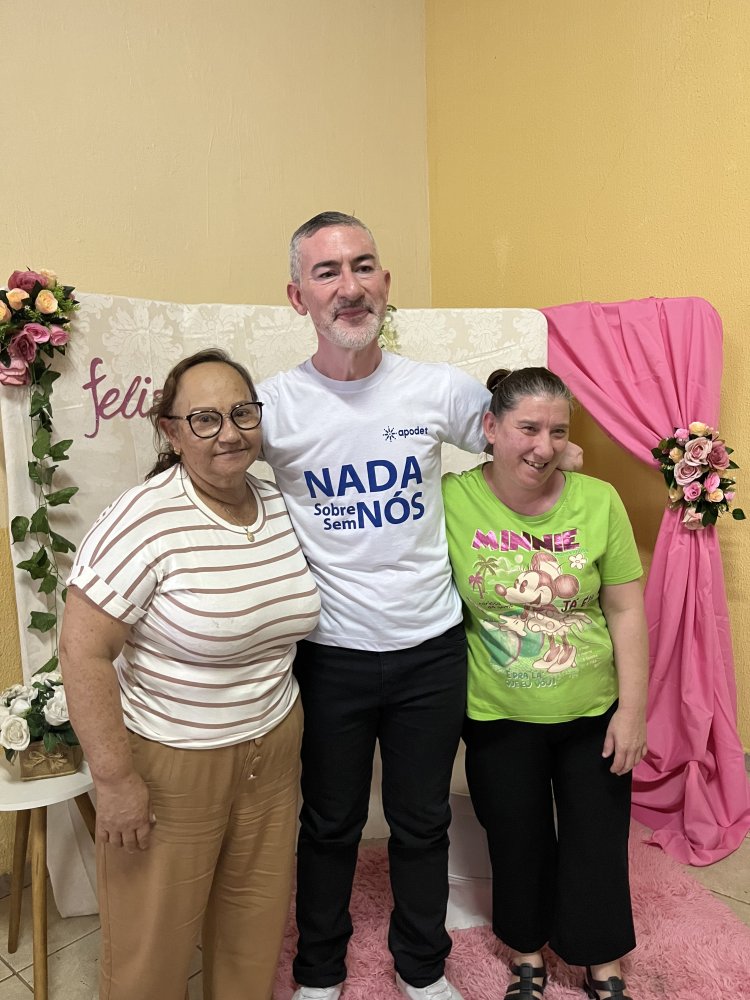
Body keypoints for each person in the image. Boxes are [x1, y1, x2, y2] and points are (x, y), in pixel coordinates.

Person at [258, 212, 582, 1000]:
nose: (349, 286)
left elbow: (530, 448)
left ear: (386, 284)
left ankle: (421, 966)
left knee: (422, 820)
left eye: (363, 266)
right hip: (329, 652)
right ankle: (319, 970)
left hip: (431, 650)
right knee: (329, 823)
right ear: (297, 295)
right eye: (328, 272)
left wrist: (569, 467)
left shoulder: (437, 389)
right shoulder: (271, 409)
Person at [59, 348, 320, 1000]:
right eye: (203, 420)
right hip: (171, 761)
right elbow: (81, 651)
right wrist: (115, 780)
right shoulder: (143, 519)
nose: (228, 433)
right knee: (152, 949)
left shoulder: (281, 501)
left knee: (252, 931)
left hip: (273, 749)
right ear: (171, 433)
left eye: (240, 413)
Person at [442, 367, 648, 1000]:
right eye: (528, 428)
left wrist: (634, 711)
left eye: (559, 431)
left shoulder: (598, 500)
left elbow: (625, 608)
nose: (544, 444)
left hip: (592, 710)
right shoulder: (451, 498)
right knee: (516, 837)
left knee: (596, 840)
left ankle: (601, 962)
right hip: (499, 714)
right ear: (491, 428)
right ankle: (526, 953)